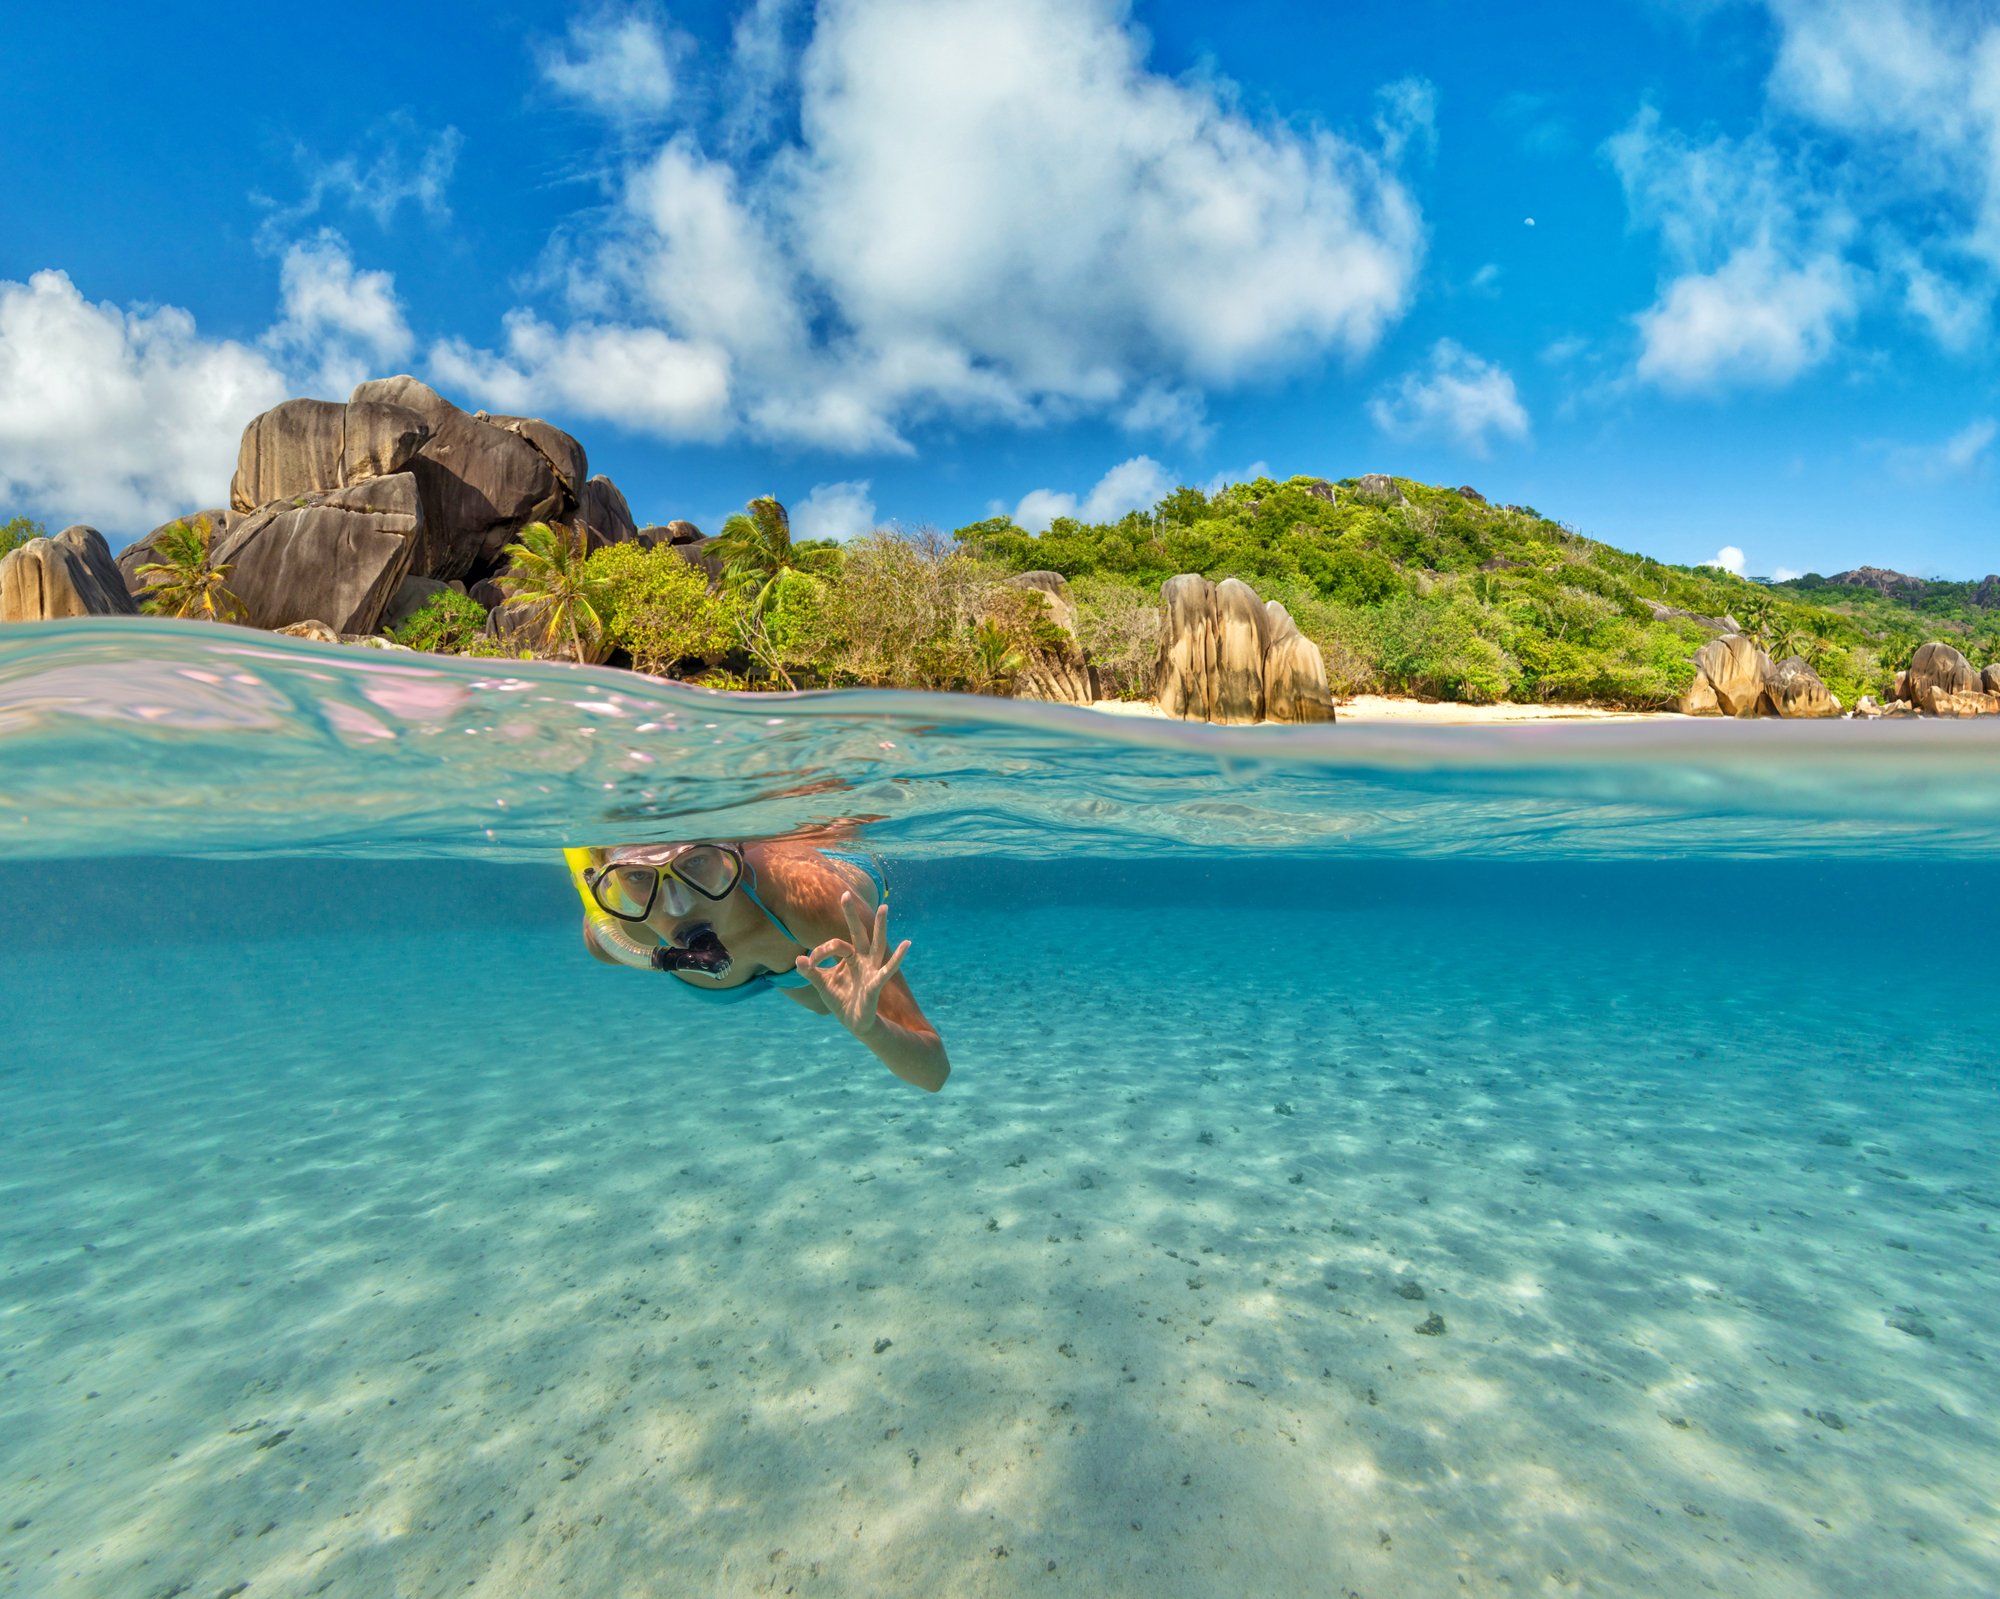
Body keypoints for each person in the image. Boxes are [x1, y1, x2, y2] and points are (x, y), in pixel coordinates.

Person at [565, 839, 950, 1092]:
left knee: (819, 1000)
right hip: (791, 954)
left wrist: (873, 1031)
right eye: (637, 875)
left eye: (695, 861)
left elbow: (933, 1073)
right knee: (810, 992)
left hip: (809, 896)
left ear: (731, 850)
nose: (676, 905)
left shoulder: (812, 901)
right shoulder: (617, 933)